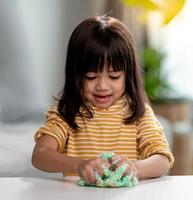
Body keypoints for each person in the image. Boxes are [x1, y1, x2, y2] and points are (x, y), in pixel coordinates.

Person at [31, 15, 174, 184]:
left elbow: (162, 159)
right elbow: (40, 154)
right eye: (91, 76)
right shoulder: (66, 113)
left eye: (114, 76)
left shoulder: (139, 114)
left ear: (127, 76)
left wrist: (136, 168)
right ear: (74, 75)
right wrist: (79, 165)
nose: (102, 86)